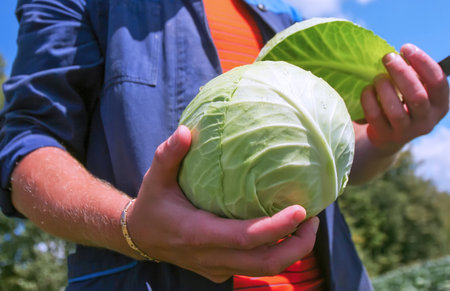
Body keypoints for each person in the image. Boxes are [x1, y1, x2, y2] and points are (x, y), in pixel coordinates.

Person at [0, 0, 448, 290]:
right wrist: (130, 227)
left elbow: (340, 158)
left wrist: (391, 139)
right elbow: (26, 143)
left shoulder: (281, 18)